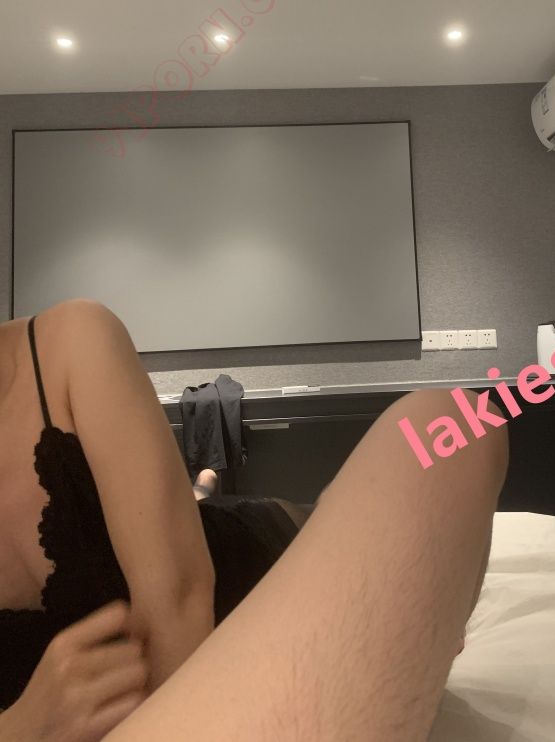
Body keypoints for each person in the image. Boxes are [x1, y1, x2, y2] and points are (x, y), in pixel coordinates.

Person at [0, 298, 508, 741]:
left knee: (455, 420)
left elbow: (179, 598)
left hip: (261, 560)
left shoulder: (73, 339)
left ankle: (243, 494)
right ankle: (204, 487)